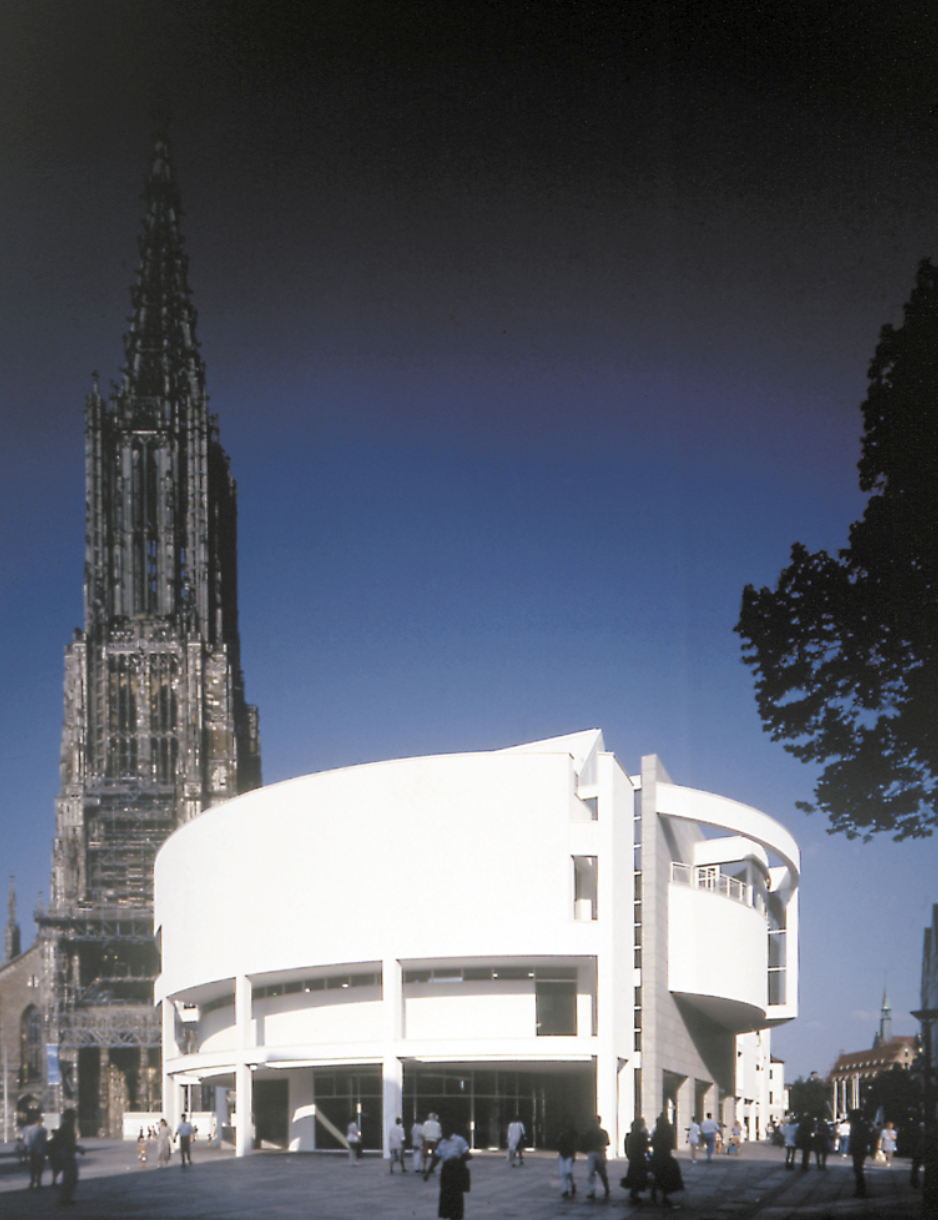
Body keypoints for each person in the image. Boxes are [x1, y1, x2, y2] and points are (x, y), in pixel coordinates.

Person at [649, 1112, 684, 1210]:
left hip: (657, 1156)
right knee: (665, 1176)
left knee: (657, 1175)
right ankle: (664, 1195)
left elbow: (652, 1143)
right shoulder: (668, 1131)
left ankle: (653, 1192)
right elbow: (671, 1144)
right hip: (666, 1156)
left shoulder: (657, 1132)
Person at [436, 1125, 471, 1220]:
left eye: (443, 1129)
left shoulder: (459, 1140)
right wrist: (429, 1171)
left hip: (457, 1171)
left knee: (456, 1195)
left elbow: (468, 1155)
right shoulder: (442, 1142)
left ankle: (456, 1216)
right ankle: (446, 1214)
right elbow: (437, 1157)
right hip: (446, 1170)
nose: (441, 1132)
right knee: (445, 1194)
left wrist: (457, 1161)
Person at [57, 1109, 86, 1206]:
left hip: (67, 1152)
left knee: (71, 1175)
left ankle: (66, 1197)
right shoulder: (67, 1127)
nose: (75, 1118)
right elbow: (67, 1143)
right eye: (73, 1116)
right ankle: (64, 1198)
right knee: (70, 1176)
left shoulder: (67, 1126)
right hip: (66, 1153)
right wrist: (78, 1149)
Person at [621, 1116, 650, 1205]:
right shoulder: (642, 1135)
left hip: (633, 1158)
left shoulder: (629, 1136)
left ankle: (634, 1192)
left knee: (633, 1175)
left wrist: (628, 1155)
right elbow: (645, 1147)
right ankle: (635, 1192)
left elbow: (627, 1147)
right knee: (639, 1176)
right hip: (640, 1157)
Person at [582, 1114, 610, 1200]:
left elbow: (585, 1143)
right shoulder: (603, 1132)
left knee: (592, 1172)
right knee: (601, 1172)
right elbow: (607, 1143)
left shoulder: (589, 1133)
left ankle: (592, 1191)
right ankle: (605, 1188)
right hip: (600, 1153)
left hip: (593, 1153)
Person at [848, 1109, 871, 1198]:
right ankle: (860, 1189)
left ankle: (860, 1190)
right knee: (857, 1169)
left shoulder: (860, 1126)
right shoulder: (860, 1125)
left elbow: (864, 1137)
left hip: (859, 1149)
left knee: (858, 1169)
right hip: (859, 1149)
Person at [556, 1116, 578, 1199]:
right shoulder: (562, 1135)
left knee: (567, 1171)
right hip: (564, 1154)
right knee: (564, 1172)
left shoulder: (572, 1134)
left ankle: (571, 1185)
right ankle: (566, 1189)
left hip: (568, 1154)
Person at [26, 1115, 48, 1188]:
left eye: (41, 1121)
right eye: (39, 1121)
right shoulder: (31, 1129)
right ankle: (32, 1181)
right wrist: (29, 1148)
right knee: (33, 1167)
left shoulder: (43, 1130)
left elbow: (44, 1140)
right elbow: (28, 1139)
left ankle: (38, 1181)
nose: (40, 1122)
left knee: (39, 1166)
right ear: (36, 1121)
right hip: (34, 1150)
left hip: (40, 1150)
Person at [422, 1111, 443, 1178]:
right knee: (434, 1154)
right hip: (434, 1140)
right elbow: (439, 1132)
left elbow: (423, 1131)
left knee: (425, 1154)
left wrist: (425, 1136)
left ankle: (424, 1167)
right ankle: (432, 1168)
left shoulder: (426, 1123)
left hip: (427, 1139)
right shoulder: (437, 1124)